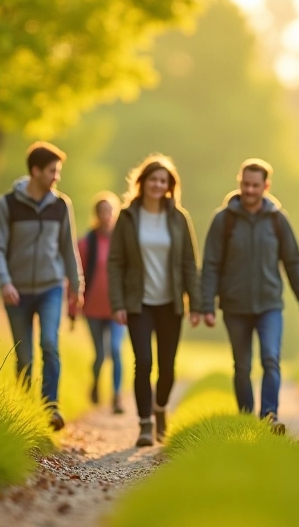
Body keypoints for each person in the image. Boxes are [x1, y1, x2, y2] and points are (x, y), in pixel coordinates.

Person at [200, 159, 299, 433]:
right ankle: (245, 416)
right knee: (242, 365)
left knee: (271, 358)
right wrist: (206, 304)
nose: (250, 190)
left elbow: (293, 262)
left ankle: (269, 415)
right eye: (245, 184)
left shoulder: (277, 220)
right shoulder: (223, 219)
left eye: (255, 185)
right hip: (235, 305)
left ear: (266, 186)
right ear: (239, 182)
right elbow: (211, 264)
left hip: (269, 305)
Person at [0, 141, 84, 432]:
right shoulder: (7, 204)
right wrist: (5, 283)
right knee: (25, 357)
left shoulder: (61, 205)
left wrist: (75, 288)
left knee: (50, 344)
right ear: (36, 171)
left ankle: (50, 407)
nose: (57, 176)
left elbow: (69, 250)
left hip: (50, 288)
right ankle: (24, 408)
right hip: (16, 292)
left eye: (58, 171)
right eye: (53, 171)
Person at [108, 154, 202, 447]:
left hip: (170, 302)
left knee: (167, 366)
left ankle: (160, 408)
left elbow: (189, 262)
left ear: (169, 185)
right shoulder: (127, 216)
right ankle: (145, 423)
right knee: (143, 362)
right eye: (153, 179)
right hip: (138, 302)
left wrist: (196, 303)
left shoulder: (178, 218)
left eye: (164, 180)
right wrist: (118, 302)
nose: (158, 185)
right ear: (143, 182)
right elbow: (115, 262)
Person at [69, 191, 127, 414]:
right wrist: (73, 308)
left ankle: (117, 396)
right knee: (100, 355)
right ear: (97, 215)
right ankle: (95, 383)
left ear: (115, 213)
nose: (106, 216)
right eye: (102, 212)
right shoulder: (86, 243)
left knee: (115, 349)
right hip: (92, 308)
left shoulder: (122, 242)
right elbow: (75, 275)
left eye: (110, 211)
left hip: (117, 308)